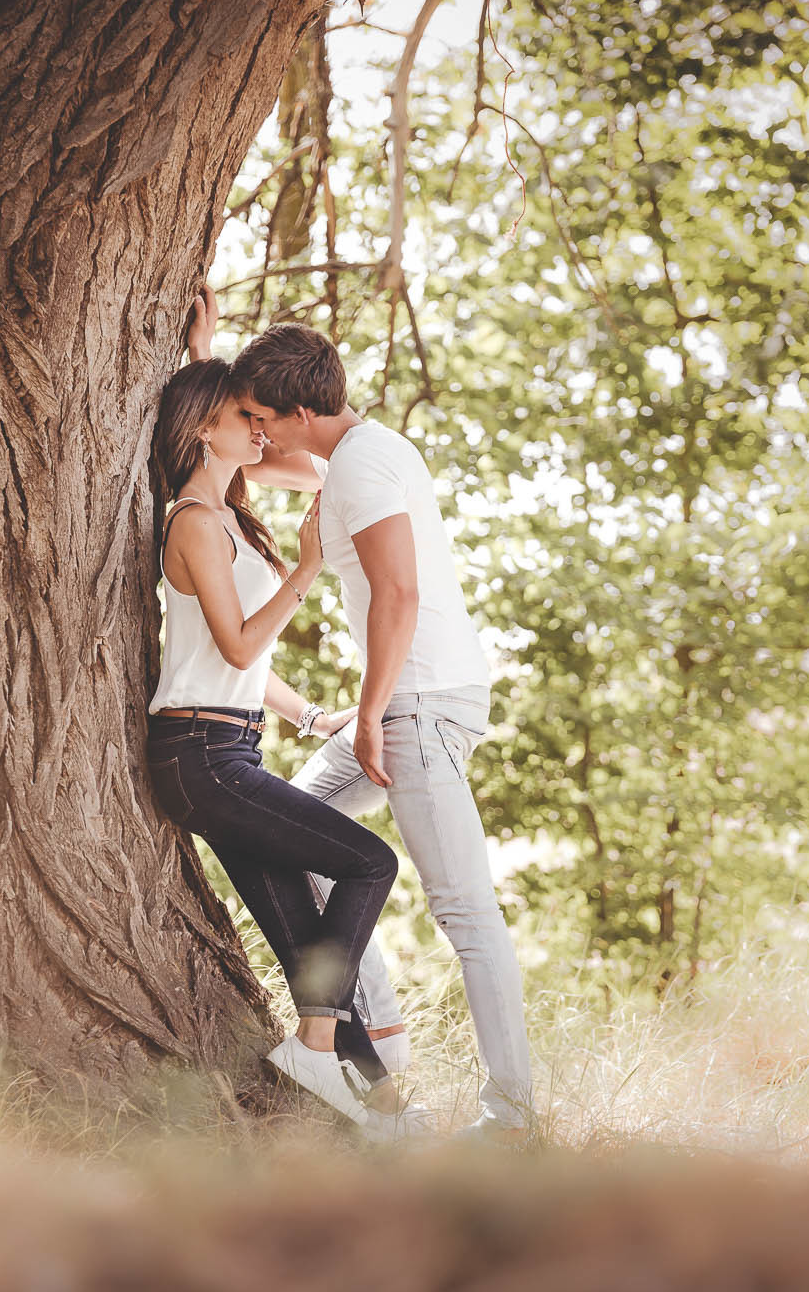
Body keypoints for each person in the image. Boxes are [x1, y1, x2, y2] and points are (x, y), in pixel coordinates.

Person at [221, 316, 537, 1140]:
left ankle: (512, 1120)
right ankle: (380, 1048)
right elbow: (258, 461)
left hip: (418, 704)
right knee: (294, 835)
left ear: (298, 412)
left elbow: (396, 593)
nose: (255, 430)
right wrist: (202, 359)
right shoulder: (352, 453)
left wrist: (368, 716)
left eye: (261, 414)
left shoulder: (359, 471)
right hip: (423, 695)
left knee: (465, 910)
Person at [143, 354, 424, 1137]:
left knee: (308, 944)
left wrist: (310, 716)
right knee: (371, 862)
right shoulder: (194, 520)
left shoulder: (231, 514)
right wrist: (305, 570)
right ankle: (317, 1051)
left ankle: (384, 1109)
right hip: (197, 754)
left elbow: (240, 662)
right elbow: (236, 647)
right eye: (244, 418)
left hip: (229, 748)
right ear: (203, 428)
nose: (260, 430)